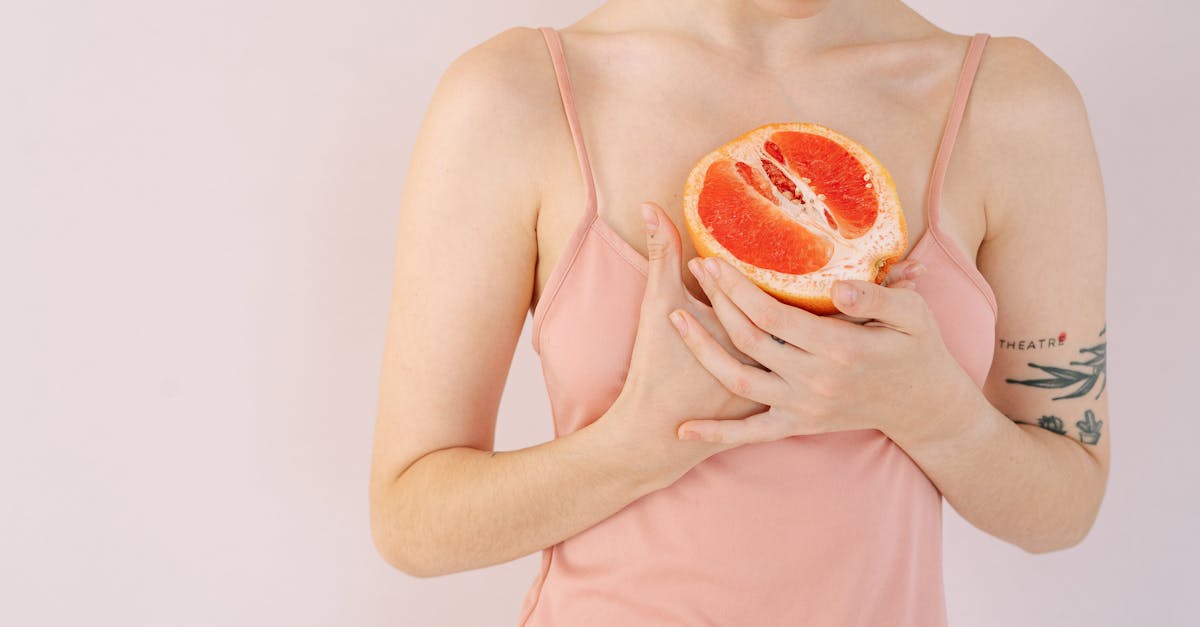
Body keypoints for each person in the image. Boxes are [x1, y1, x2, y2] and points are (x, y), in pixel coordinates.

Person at [369, 1, 1110, 624]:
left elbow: (1068, 497)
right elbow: (409, 517)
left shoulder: (1011, 106)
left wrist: (937, 413)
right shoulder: (515, 94)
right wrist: (633, 447)